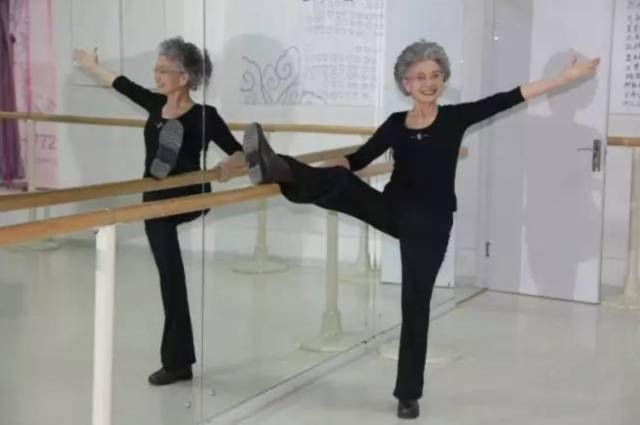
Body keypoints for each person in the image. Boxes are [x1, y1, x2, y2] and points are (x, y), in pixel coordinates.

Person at [240, 40, 599, 419]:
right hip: (392, 211)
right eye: (420, 77)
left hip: (432, 223)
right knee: (340, 181)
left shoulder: (455, 118)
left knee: (415, 304)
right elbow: (358, 160)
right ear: (406, 84)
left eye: (435, 75)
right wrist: (332, 164)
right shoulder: (395, 124)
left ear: (442, 79)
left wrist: (564, 79)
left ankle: (407, 394)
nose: (429, 83)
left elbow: (511, 97)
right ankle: (279, 167)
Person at [74, 37, 246, 386]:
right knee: (171, 278)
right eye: (156, 69)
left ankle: (178, 362)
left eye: (163, 70)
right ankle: (178, 363)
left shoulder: (205, 116)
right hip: (155, 200)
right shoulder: (154, 103)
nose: (156, 76)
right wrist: (91, 65)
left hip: (189, 196)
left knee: (172, 261)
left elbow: (239, 152)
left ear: (185, 78)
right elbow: (120, 83)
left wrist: (228, 166)